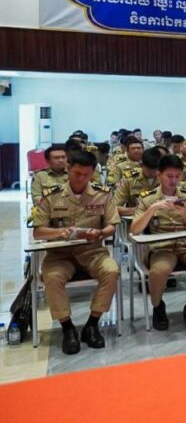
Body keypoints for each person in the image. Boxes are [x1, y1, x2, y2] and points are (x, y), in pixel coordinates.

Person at [32, 150, 120, 354]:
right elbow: (38, 231)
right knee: (52, 277)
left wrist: (100, 233)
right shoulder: (51, 196)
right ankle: (68, 328)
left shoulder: (102, 193)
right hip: (60, 254)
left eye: (86, 175)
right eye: (77, 173)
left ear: (93, 173)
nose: (81, 178)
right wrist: (60, 232)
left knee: (112, 271)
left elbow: (112, 225)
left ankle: (92, 324)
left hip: (92, 252)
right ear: (68, 168)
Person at [131, 155, 186, 331]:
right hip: (162, 247)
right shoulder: (147, 199)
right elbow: (135, 230)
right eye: (169, 176)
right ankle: (158, 306)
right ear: (159, 175)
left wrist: (185, 214)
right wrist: (153, 208)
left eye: (177, 176)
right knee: (159, 271)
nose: (173, 181)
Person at [113, 147, 162, 217]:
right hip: (136, 218)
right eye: (148, 171)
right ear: (141, 165)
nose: (152, 174)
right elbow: (113, 208)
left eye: (155, 171)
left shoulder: (166, 177)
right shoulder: (130, 179)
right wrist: (141, 209)